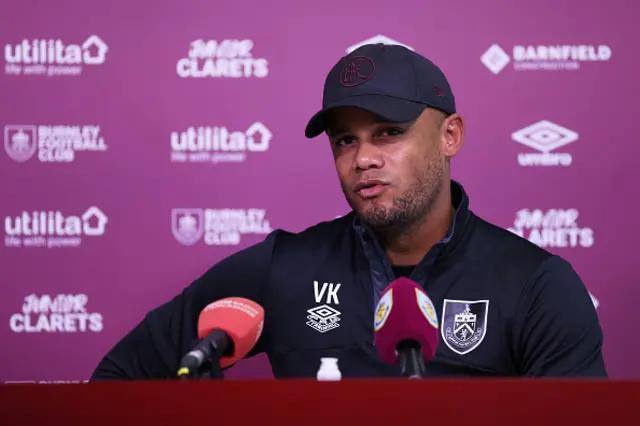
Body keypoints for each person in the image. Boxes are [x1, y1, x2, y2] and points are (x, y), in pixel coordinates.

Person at [91, 43, 607, 380]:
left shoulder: (536, 284)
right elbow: (119, 379)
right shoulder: (280, 267)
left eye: (389, 132)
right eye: (345, 140)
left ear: (450, 136)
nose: (363, 158)